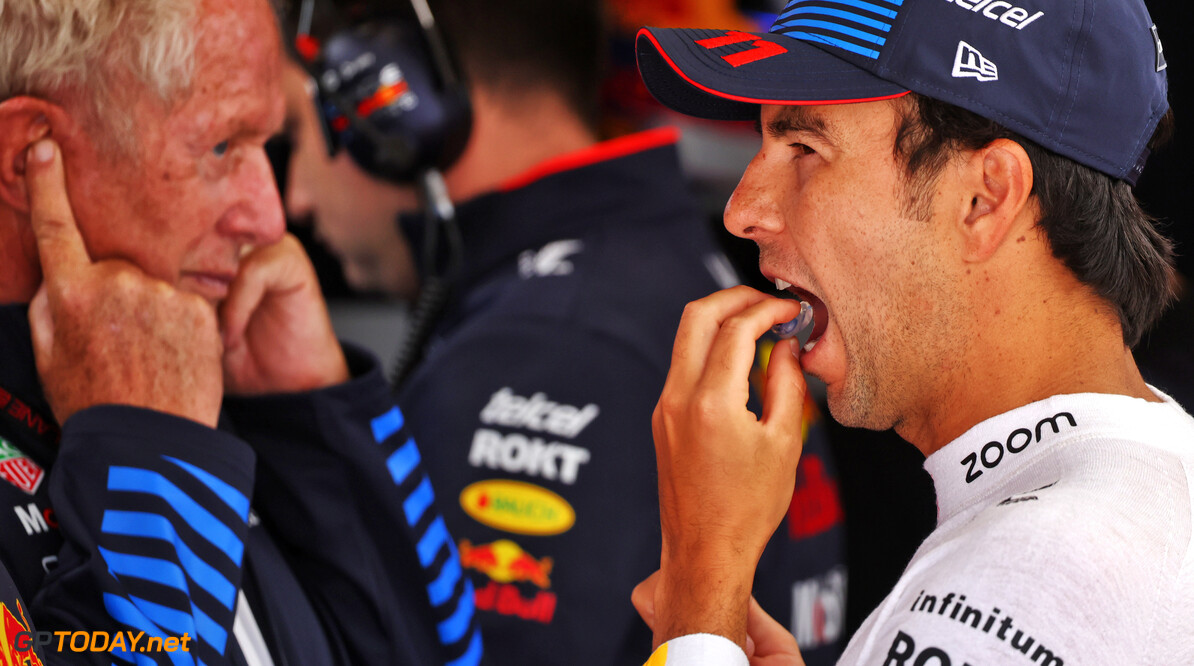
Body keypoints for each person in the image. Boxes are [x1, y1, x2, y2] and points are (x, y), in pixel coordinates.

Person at [281, 1, 848, 663]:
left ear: (401, 103)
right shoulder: (653, 259)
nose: (293, 196)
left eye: (299, 132)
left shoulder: (546, 345)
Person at [628, 0, 1194, 663]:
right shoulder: (1141, 477)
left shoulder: (1022, 580)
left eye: (804, 147)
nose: (742, 211)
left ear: (985, 198)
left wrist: (701, 595)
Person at [0, 1, 479, 664]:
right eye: (222, 147)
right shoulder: (164, 425)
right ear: (28, 154)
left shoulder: (206, 370)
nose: (268, 217)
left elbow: (454, 657)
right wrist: (151, 469)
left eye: (267, 147)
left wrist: (318, 419)